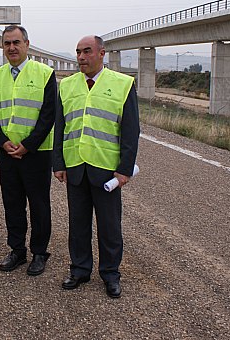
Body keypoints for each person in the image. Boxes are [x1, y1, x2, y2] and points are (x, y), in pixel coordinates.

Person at [53, 35, 140, 297]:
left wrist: (124, 169)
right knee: (78, 224)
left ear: (102, 53)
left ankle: (110, 274)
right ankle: (79, 270)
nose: (81, 57)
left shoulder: (123, 84)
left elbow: (130, 130)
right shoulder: (66, 86)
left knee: (109, 226)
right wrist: (58, 163)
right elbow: (61, 128)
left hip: (106, 169)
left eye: (87, 51)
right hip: (76, 166)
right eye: (78, 52)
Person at [0, 25, 56, 276]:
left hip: (36, 153)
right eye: (7, 44)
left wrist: (28, 145)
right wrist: (2, 142)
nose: (12, 48)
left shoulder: (45, 73)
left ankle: (39, 252)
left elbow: (49, 115)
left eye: (16, 43)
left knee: (39, 204)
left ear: (27, 44)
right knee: (12, 203)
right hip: (7, 153)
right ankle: (17, 249)